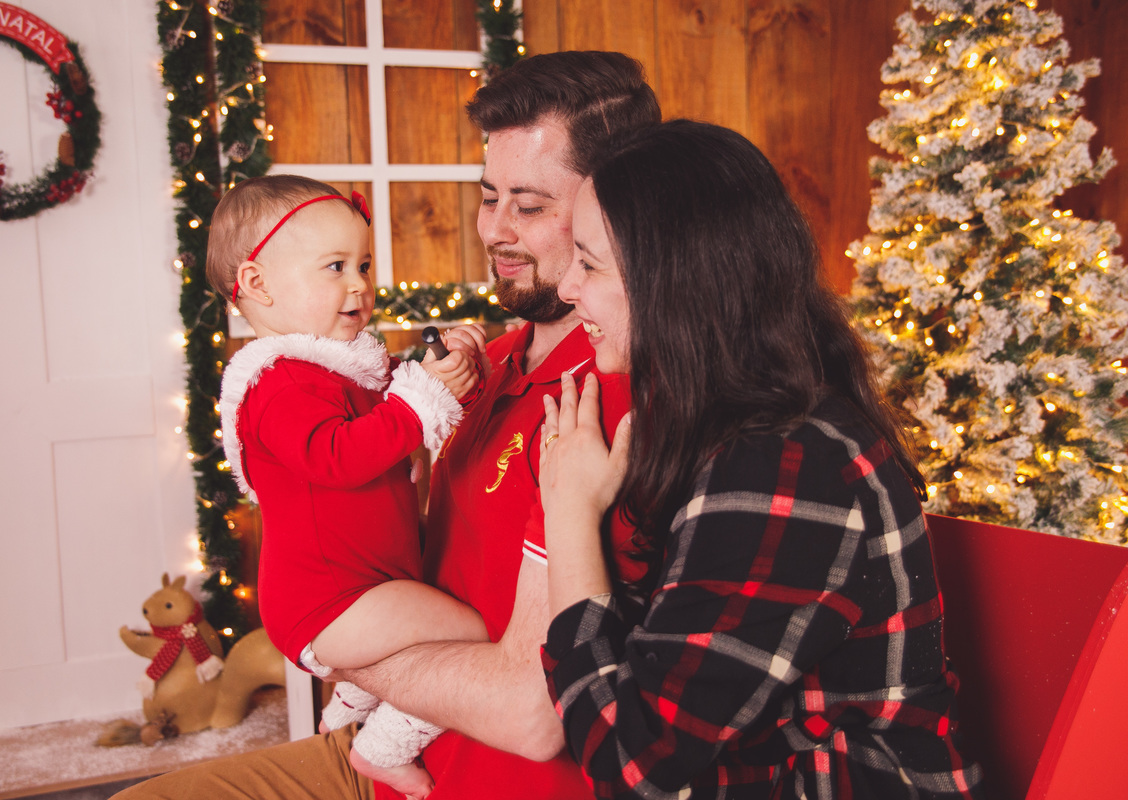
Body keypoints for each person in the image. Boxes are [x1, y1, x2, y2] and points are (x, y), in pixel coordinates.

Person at [113, 51, 661, 800]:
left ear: (618, 208)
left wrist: (342, 653)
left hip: (478, 775)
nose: (493, 230)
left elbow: (532, 714)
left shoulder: (601, 405)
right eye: (487, 195)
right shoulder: (482, 364)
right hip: (398, 742)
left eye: (529, 206)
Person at [537, 119, 986, 798]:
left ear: (677, 282)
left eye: (591, 263)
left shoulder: (787, 464)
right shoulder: (742, 433)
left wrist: (568, 515)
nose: (568, 287)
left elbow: (633, 762)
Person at [207, 174, 490, 799]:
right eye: (334, 266)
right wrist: (420, 401)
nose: (359, 284)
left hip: (365, 581)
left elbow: (401, 408)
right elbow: (335, 456)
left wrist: (444, 373)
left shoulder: (339, 365)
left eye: (362, 264)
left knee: (440, 625)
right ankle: (381, 744)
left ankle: (348, 706)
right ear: (256, 284)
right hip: (326, 600)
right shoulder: (277, 383)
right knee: (474, 637)